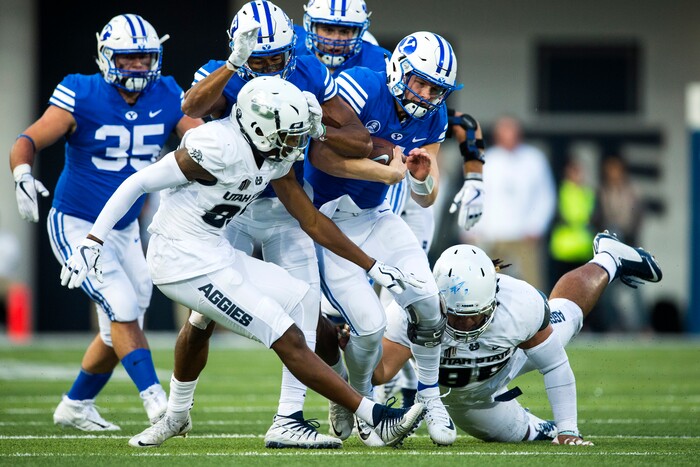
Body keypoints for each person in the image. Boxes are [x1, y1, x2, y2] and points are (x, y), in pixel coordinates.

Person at [59, 76, 427, 449]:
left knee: (301, 299)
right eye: (289, 134)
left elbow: (311, 220)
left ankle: (178, 415)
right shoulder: (216, 145)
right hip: (179, 260)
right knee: (285, 333)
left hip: (215, 252)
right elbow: (137, 183)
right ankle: (372, 418)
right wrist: (93, 239)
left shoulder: (272, 153)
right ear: (258, 127)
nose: (296, 145)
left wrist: (370, 264)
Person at [179, 0, 396, 449]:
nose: (266, 68)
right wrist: (234, 64)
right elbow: (193, 105)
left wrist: (318, 127)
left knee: (308, 313)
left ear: (289, 52)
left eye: (275, 59)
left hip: (285, 199)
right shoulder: (227, 70)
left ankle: (294, 415)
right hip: (231, 207)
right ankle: (175, 411)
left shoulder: (309, 71)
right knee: (201, 316)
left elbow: (358, 138)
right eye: (257, 60)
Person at [9, 14, 202, 431]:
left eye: (145, 57)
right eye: (128, 58)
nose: (137, 66)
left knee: (121, 328)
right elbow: (29, 139)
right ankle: (159, 406)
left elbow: (202, 141)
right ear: (105, 56)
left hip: (127, 229)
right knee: (123, 308)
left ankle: (76, 404)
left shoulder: (168, 92)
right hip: (77, 223)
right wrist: (22, 173)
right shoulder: (81, 91)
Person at [304, 31, 462, 447]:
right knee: (370, 328)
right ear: (398, 70)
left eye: (435, 88)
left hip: (376, 216)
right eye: (420, 82)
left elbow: (425, 198)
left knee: (428, 302)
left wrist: (422, 180)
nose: (426, 94)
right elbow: (318, 154)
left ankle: (429, 397)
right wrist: (383, 172)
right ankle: (357, 397)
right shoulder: (362, 84)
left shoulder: (434, 115)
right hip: (327, 220)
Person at [371, 233, 663, 445]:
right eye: (458, 316)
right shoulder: (410, 311)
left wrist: (569, 430)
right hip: (468, 398)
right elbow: (379, 371)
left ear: (493, 298)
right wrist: (359, 346)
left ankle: (608, 258)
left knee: (567, 320)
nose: (467, 324)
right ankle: (541, 428)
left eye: (476, 315)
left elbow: (555, 365)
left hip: (510, 357)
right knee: (516, 435)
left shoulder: (518, 305)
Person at [465, 115, 556, 292]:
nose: (508, 135)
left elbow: (546, 196)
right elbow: (474, 195)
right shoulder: (486, 159)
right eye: (504, 130)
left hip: (523, 237)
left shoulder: (534, 159)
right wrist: (471, 228)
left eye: (511, 130)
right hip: (492, 236)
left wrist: (536, 227)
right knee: (489, 288)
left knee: (531, 288)